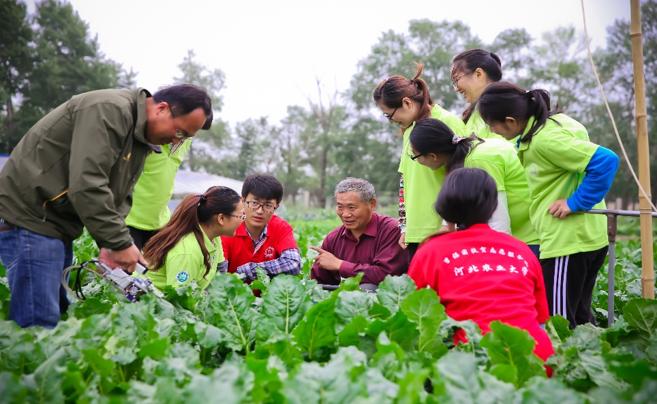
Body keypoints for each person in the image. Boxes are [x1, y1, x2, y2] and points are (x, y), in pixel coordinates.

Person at [0, 84, 213, 328]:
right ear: (162, 108)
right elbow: (88, 183)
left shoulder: (141, 136)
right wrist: (118, 243)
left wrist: (111, 244)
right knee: (38, 322)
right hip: (31, 215)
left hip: (55, 222)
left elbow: (120, 196)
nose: (178, 140)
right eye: (180, 132)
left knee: (58, 312)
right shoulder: (108, 111)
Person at [478, 81, 620, 327]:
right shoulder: (555, 123)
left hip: (567, 241)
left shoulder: (545, 139)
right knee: (581, 318)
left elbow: (606, 161)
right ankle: (591, 362)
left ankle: (564, 365)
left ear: (511, 121)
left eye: (493, 126)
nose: (493, 132)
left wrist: (575, 202)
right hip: (589, 237)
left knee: (559, 324)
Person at [408, 168, 554, 365]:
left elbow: (412, 313)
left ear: (444, 204)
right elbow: (541, 318)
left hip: (470, 361)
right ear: (493, 206)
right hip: (534, 359)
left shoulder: (430, 250)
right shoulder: (521, 249)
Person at [373, 64, 466, 259]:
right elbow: (404, 181)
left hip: (442, 230)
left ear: (406, 103)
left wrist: (447, 223)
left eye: (389, 114)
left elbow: (462, 176)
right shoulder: (410, 129)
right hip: (417, 233)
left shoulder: (447, 121)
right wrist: (405, 225)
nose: (391, 121)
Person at [409, 118, 540, 254]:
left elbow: (498, 220)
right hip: (518, 237)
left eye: (415, 156)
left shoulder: (479, 160)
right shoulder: (466, 154)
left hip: (527, 238)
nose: (416, 161)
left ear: (432, 156)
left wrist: (498, 259)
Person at [311, 178, 408, 286]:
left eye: (351, 207)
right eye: (340, 207)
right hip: (346, 302)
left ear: (372, 204)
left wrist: (340, 265)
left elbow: (385, 276)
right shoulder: (333, 238)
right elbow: (317, 283)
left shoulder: (392, 231)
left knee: (368, 287)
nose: (345, 214)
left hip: (388, 301)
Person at [143, 186, 243, 290]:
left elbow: (220, 276)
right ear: (221, 218)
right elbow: (178, 299)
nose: (242, 221)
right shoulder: (187, 252)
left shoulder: (214, 238)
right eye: (240, 216)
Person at [221, 174, 301, 281]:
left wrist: (248, 271)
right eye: (254, 203)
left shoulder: (281, 227)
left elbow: (293, 263)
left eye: (268, 205)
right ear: (243, 201)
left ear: (276, 206)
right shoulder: (228, 228)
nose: (259, 211)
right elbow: (220, 277)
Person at [125, 139, 193, 250]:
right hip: (130, 218)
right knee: (125, 266)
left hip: (160, 222)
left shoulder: (186, 140)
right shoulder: (147, 136)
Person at [451, 49, 505, 140]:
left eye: (457, 79)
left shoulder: (505, 109)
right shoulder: (474, 114)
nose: (456, 89)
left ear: (478, 74)